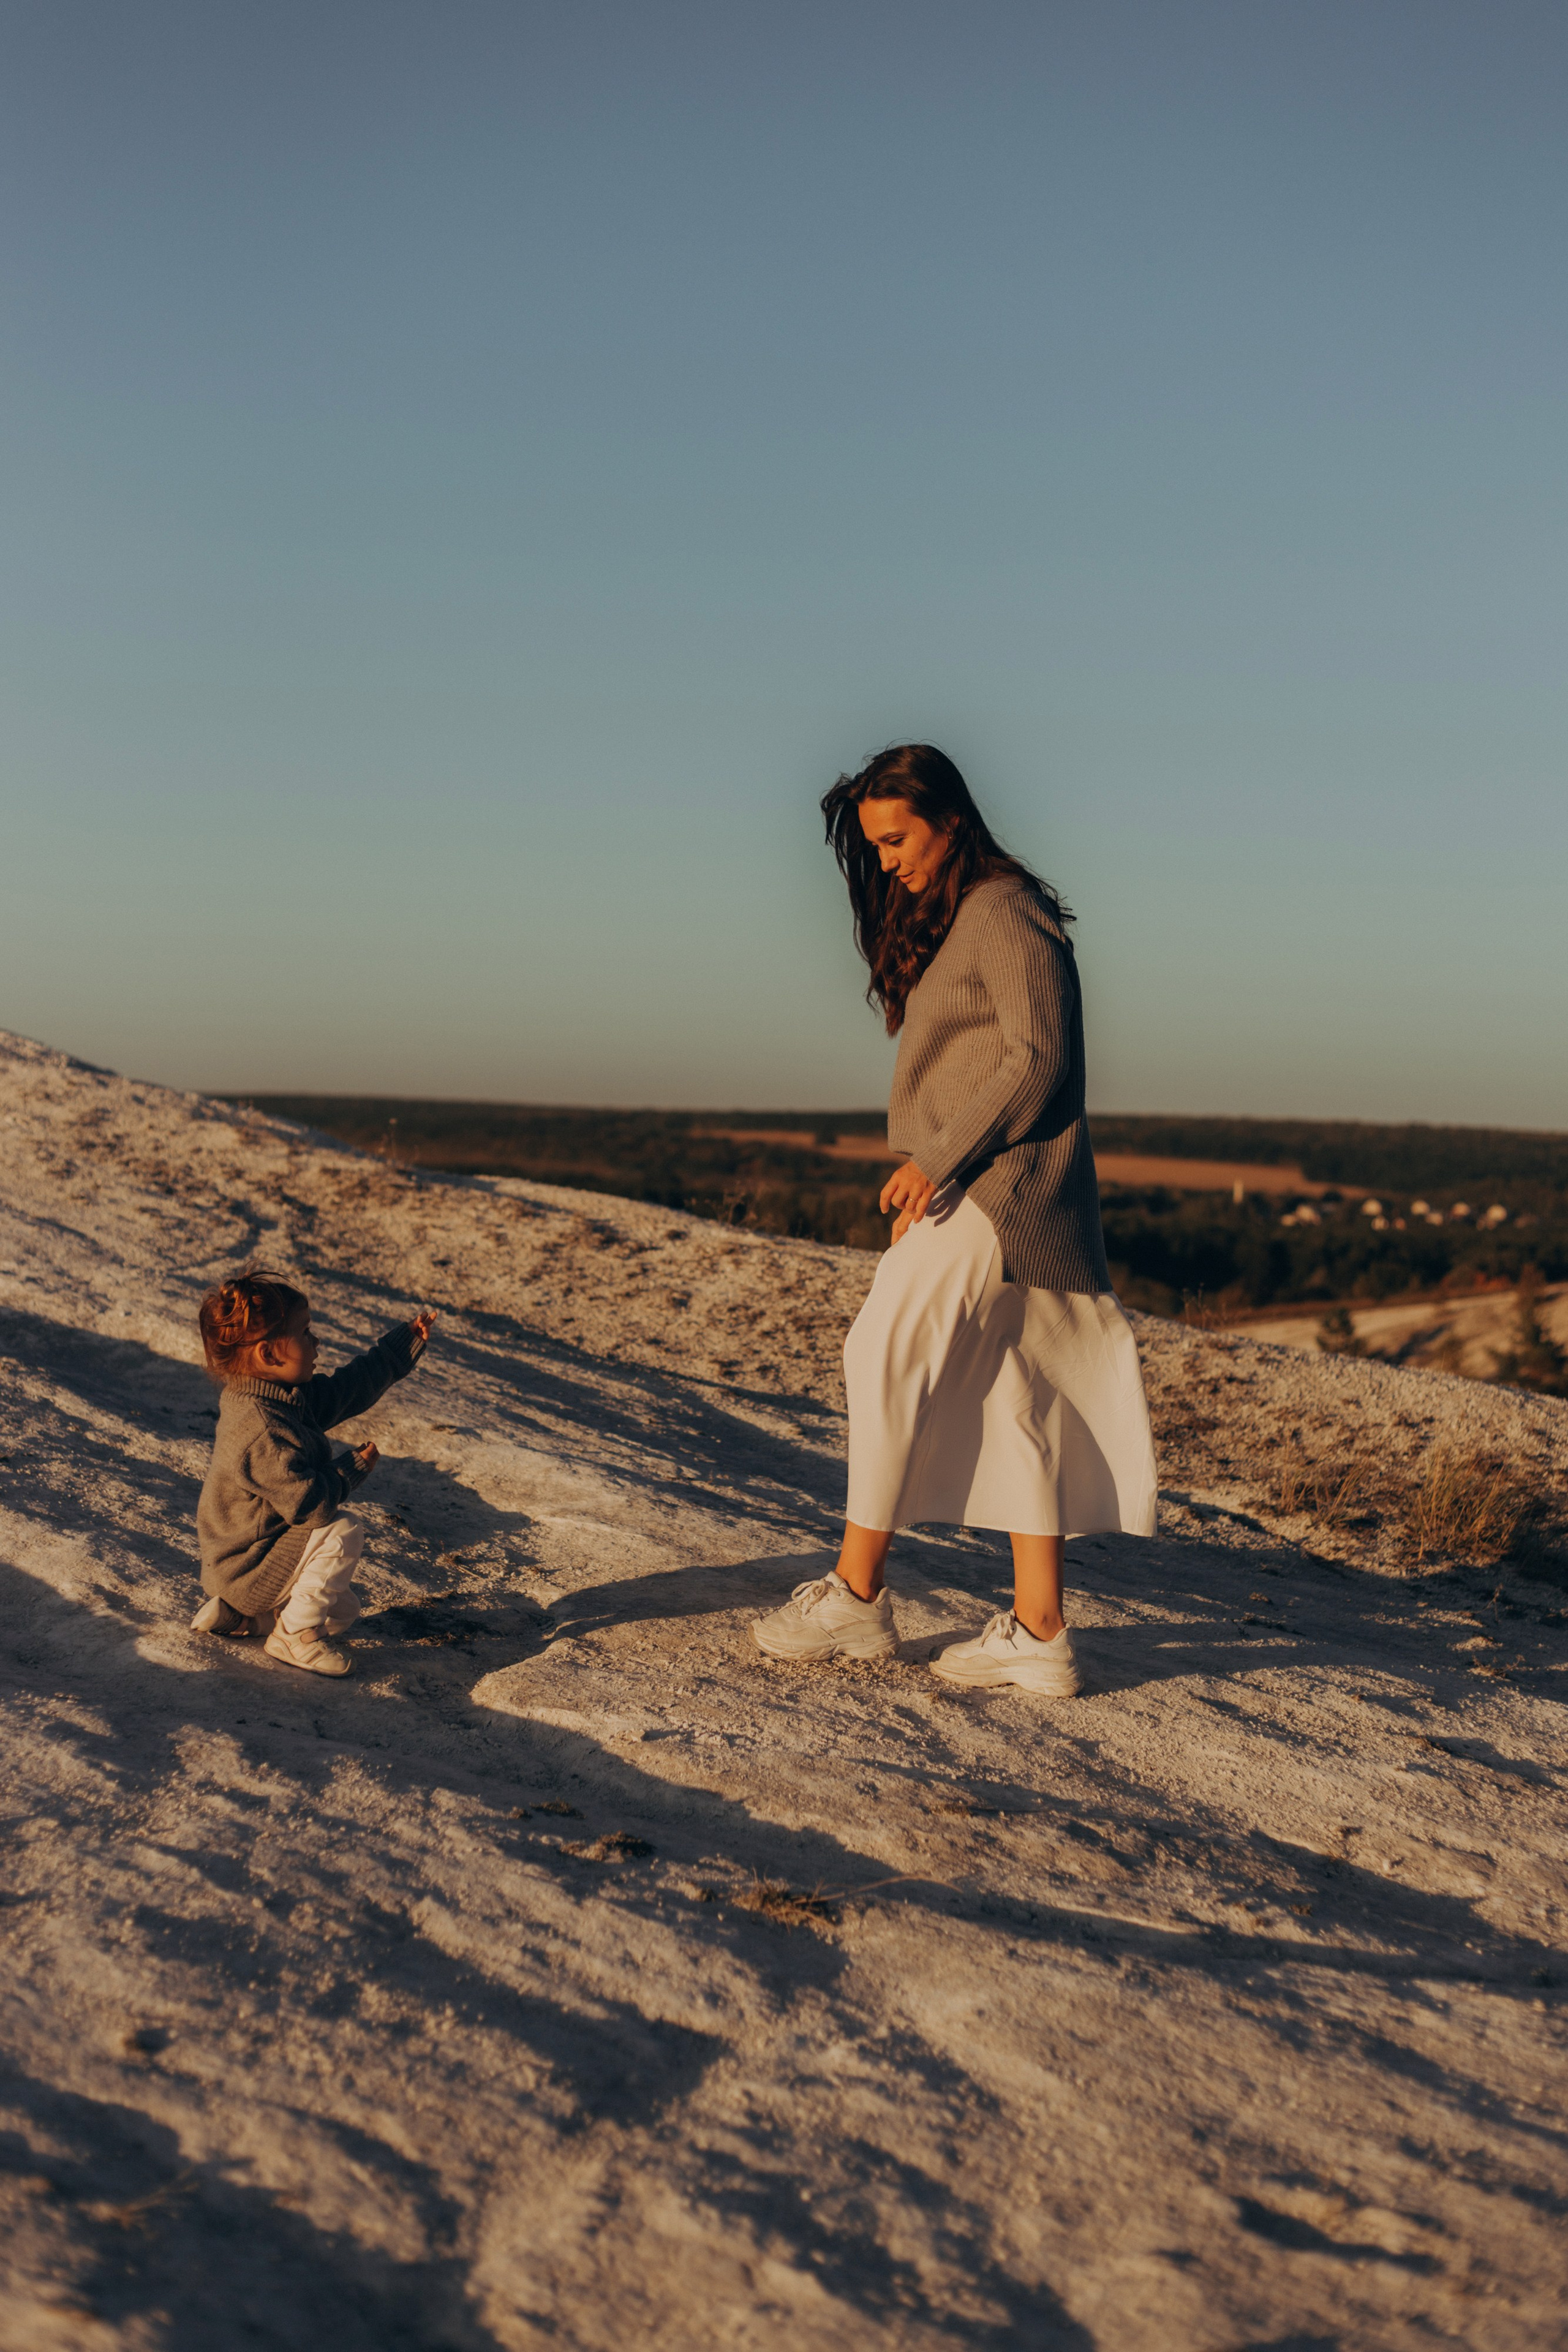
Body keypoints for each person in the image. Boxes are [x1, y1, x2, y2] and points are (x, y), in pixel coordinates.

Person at [753, 744, 1156, 1697]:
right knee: (1016, 1395)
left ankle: (856, 1595)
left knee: (882, 1350)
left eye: (897, 839)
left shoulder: (1006, 910)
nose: (886, 859)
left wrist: (937, 1160)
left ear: (951, 819)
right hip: (997, 1190)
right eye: (874, 845)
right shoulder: (970, 913)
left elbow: (1039, 1056)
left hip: (998, 1188)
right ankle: (1039, 1631)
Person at [192, 1268, 436, 1678]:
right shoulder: (262, 1429)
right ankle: (293, 1636)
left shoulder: (280, 1399)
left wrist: (398, 1349)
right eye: (305, 1333)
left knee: (343, 1612)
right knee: (341, 1530)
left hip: (255, 1560)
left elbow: (346, 1391)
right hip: (246, 1568)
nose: (316, 1341)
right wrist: (349, 1471)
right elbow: (311, 1506)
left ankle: (250, 1620)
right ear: (269, 1355)